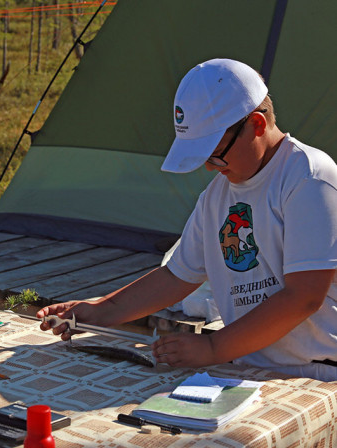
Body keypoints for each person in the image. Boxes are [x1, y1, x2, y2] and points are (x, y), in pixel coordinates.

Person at [37, 58, 337, 382]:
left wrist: (213, 348)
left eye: (215, 152)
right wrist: (100, 310)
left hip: (317, 375)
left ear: (257, 125)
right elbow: (176, 277)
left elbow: (303, 296)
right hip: (247, 368)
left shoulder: (309, 178)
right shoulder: (217, 197)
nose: (210, 167)